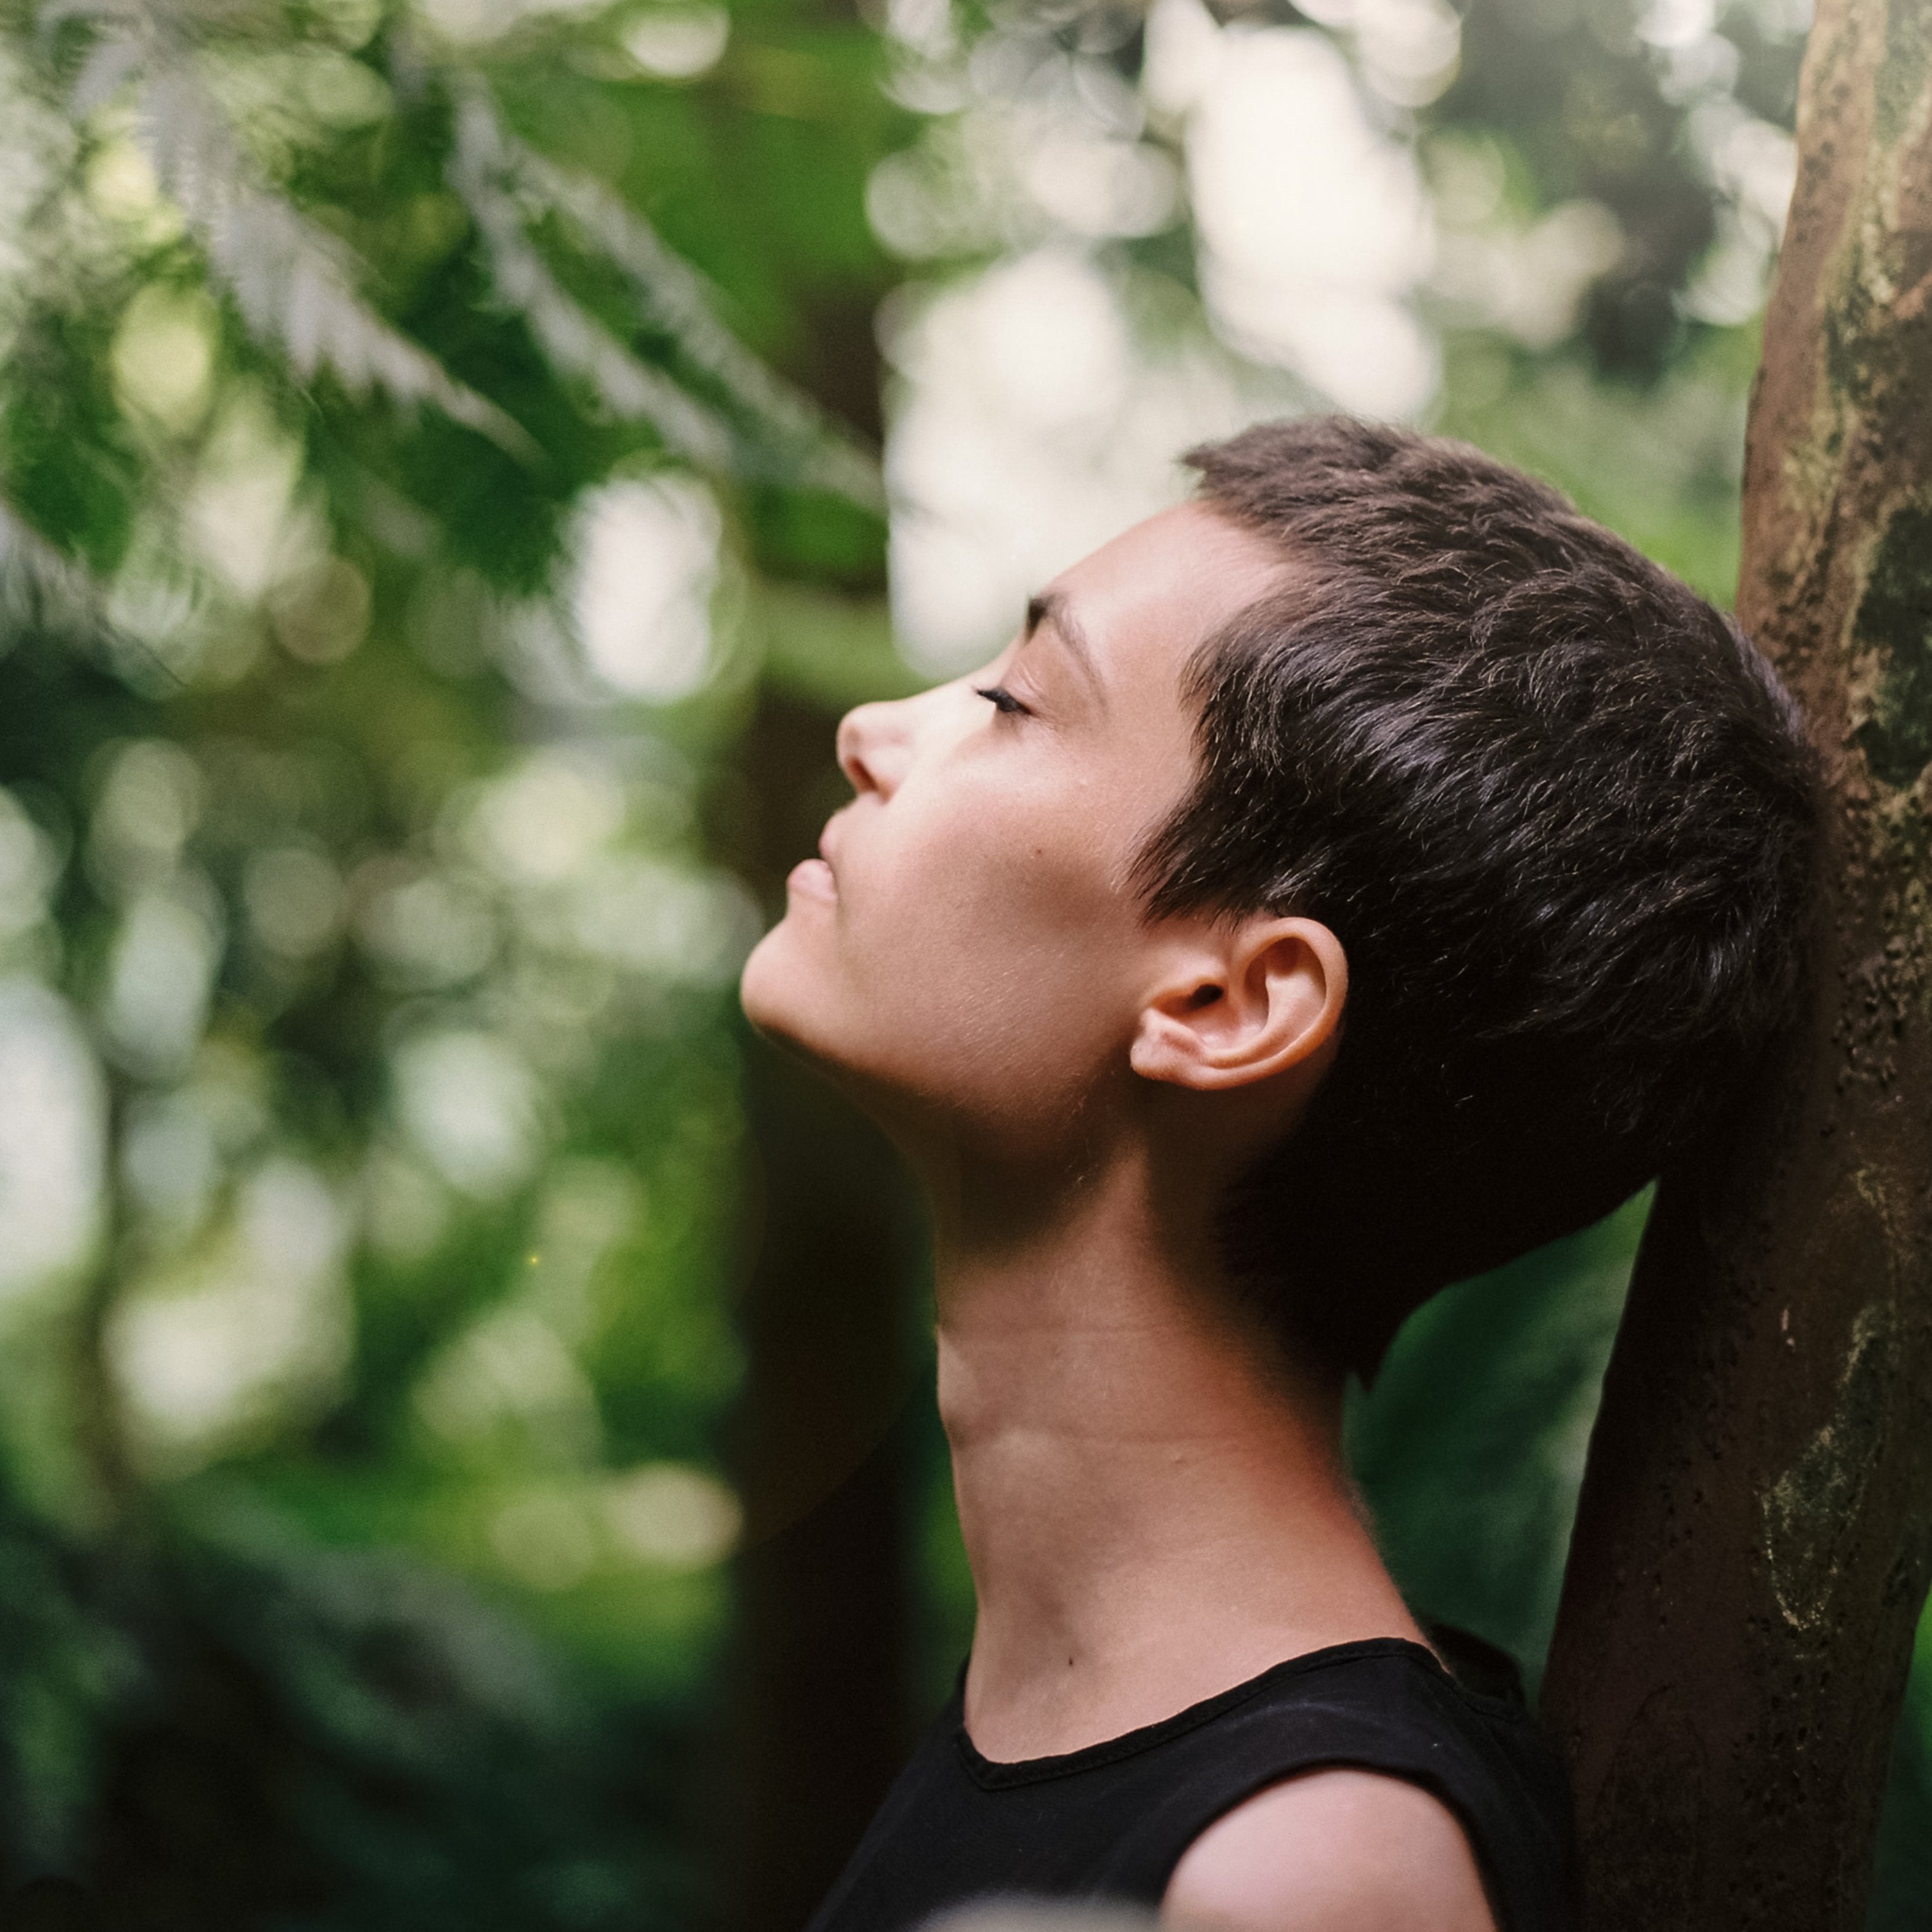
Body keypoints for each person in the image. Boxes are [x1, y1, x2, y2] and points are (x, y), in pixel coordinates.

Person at [738, 418, 1818, 1932]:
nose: (874, 728)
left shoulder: (1307, 1876)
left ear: (1225, 1007)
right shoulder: (1093, 1733)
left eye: (1013, 701)